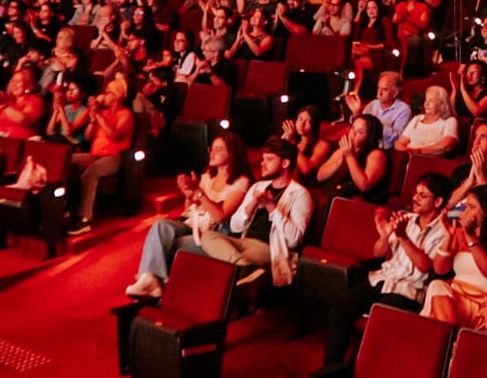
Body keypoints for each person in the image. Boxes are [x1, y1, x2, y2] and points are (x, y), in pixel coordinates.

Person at [322, 173, 452, 364]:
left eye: (422, 195)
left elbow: (425, 266)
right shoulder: (406, 219)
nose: (415, 198)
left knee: (378, 321)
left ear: (438, 201)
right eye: (415, 193)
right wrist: (385, 235)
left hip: (409, 291)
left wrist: (403, 237)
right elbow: (377, 252)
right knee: (339, 307)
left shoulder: (444, 231)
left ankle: (356, 370)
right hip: (382, 279)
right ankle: (330, 368)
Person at [126, 132, 252, 297]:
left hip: (214, 234)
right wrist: (189, 195)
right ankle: (149, 279)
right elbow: (190, 210)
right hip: (193, 224)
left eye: (219, 149)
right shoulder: (208, 176)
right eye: (211, 149)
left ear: (232, 154)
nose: (212, 153)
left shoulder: (241, 181)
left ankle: (156, 284)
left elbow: (220, 216)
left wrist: (198, 191)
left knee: (169, 244)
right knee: (161, 226)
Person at [194, 137, 314, 287]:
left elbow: (294, 239)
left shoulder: (300, 194)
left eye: (269, 159)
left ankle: (241, 270)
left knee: (218, 265)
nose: (262, 164)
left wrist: (272, 207)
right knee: (207, 236)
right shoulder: (258, 186)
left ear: (285, 163)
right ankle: (245, 268)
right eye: (263, 159)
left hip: (270, 249)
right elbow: (235, 227)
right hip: (243, 242)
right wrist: (251, 206)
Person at [423, 184, 487, 326]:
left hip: (484, 303)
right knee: (436, 285)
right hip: (455, 297)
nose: (465, 212)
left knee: (434, 312)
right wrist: (448, 237)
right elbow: (440, 269)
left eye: (472, 207)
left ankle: (448, 332)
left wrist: (470, 236)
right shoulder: (459, 233)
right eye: (466, 206)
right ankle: (450, 332)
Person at [67, 78, 136, 235]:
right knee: (66, 160)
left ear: (117, 96)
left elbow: (114, 135)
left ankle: (85, 219)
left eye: (108, 92)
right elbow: (88, 137)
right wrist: (93, 120)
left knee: (90, 173)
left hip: (114, 156)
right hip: (95, 154)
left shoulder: (126, 114)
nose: (104, 95)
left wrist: (98, 115)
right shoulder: (103, 113)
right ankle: (66, 206)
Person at [314, 113, 388, 203]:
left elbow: (364, 185)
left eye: (359, 132)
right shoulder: (345, 149)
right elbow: (320, 176)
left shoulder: (376, 154)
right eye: (353, 128)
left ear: (369, 137)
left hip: (360, 200)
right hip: (337, 193)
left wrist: (349, 157)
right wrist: (339, 162)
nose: (353, 134)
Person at [342, 71, 410, 150]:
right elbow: (359, 127)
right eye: (378, 88)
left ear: (395, 93)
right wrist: (357, 114)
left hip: (383, 150)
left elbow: (398, 138)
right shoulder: (373, 104)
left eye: (384, 90)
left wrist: (375, 124)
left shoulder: (404, 110)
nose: (379, 93)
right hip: (364, 147)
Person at [395, 85, 459, 156]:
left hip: (431, 160)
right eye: (426, 100)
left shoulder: (449, 121)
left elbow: (447, 143)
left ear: (441, 104)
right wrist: (408, 151)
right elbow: (399, 143)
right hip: (411, 157)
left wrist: (419, 151)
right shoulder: (417, 118)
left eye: (431, 101)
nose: (426, 104)